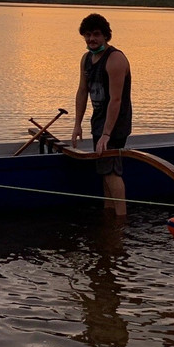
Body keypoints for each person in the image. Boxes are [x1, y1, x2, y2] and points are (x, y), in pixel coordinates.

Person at [72, 13, 133, 216]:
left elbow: (116, 100)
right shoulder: (86, 59)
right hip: (99, 120)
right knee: (104, 171)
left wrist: (107, 134)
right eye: (88, 35)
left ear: (106, 36)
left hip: (116, 123)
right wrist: (77, 124)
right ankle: (109, 214)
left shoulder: (115, 59)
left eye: (96, 35)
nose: (92, 39)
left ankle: (120, 218)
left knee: (111, 170)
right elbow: (82, 91)